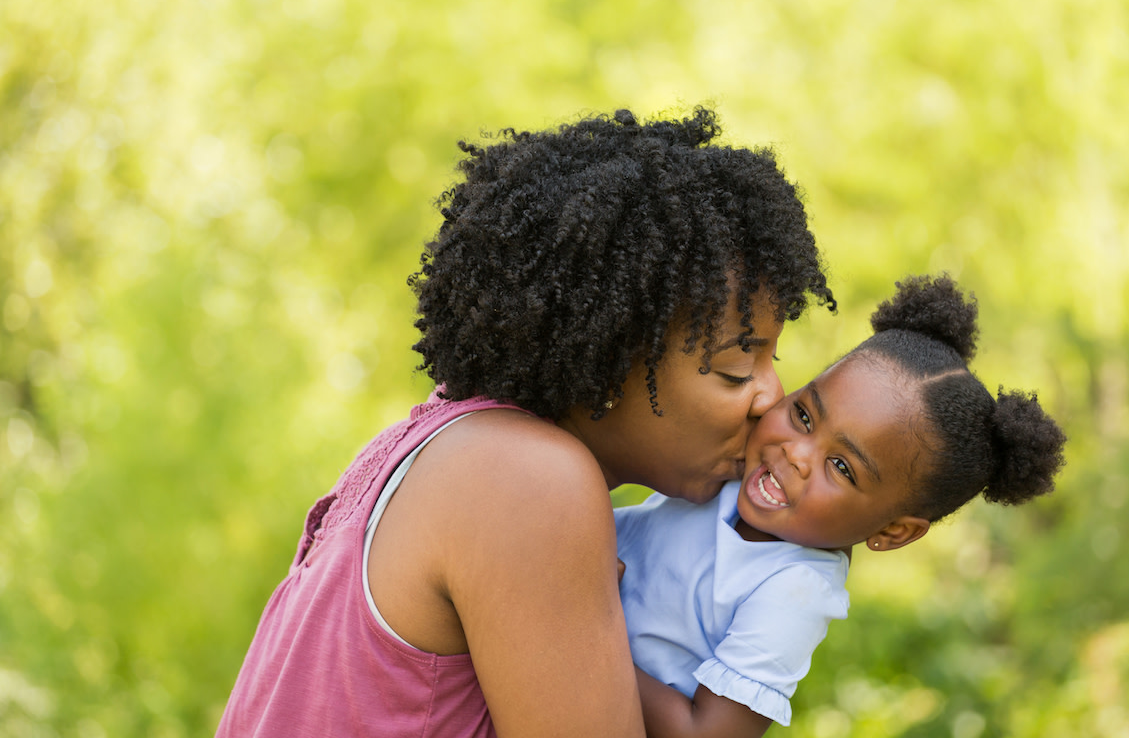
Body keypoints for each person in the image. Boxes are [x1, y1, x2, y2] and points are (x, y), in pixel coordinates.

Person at [215, 106, 837, 738]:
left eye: (772, 360)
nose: (771, 397)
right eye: (736, 368)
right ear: (610, 355)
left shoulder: (445, 439)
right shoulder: (528, 481)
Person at [614, 274, 1067, 738]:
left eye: (842, 467)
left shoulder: (793, 590)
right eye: (803, 415)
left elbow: (703, 734)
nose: (795, 453)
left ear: (893, 531)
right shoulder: (730, 467)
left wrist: (592, 620)